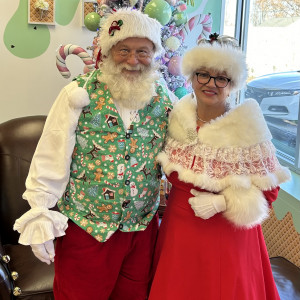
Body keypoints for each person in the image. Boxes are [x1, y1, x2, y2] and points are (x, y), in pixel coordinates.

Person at [13, 8, 175, 300]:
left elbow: (182, 147)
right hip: (88, 230)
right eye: (123, 49)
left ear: (154, 54)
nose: (133, 60)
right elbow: (52, 151)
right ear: (109, 50)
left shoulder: (163, 97)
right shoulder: (77, 94)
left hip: (141, 230)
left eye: (143, 51)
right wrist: (41, 211)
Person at [148, 34, 291, 300]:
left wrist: (224, 202)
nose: (210, 84)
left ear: (233, 83)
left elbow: (270, 192)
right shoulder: (178, 114)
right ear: (192, 76)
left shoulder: (248, 123)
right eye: (203, 74)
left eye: (221, 77)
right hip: (178, 235)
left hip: (227, 239)